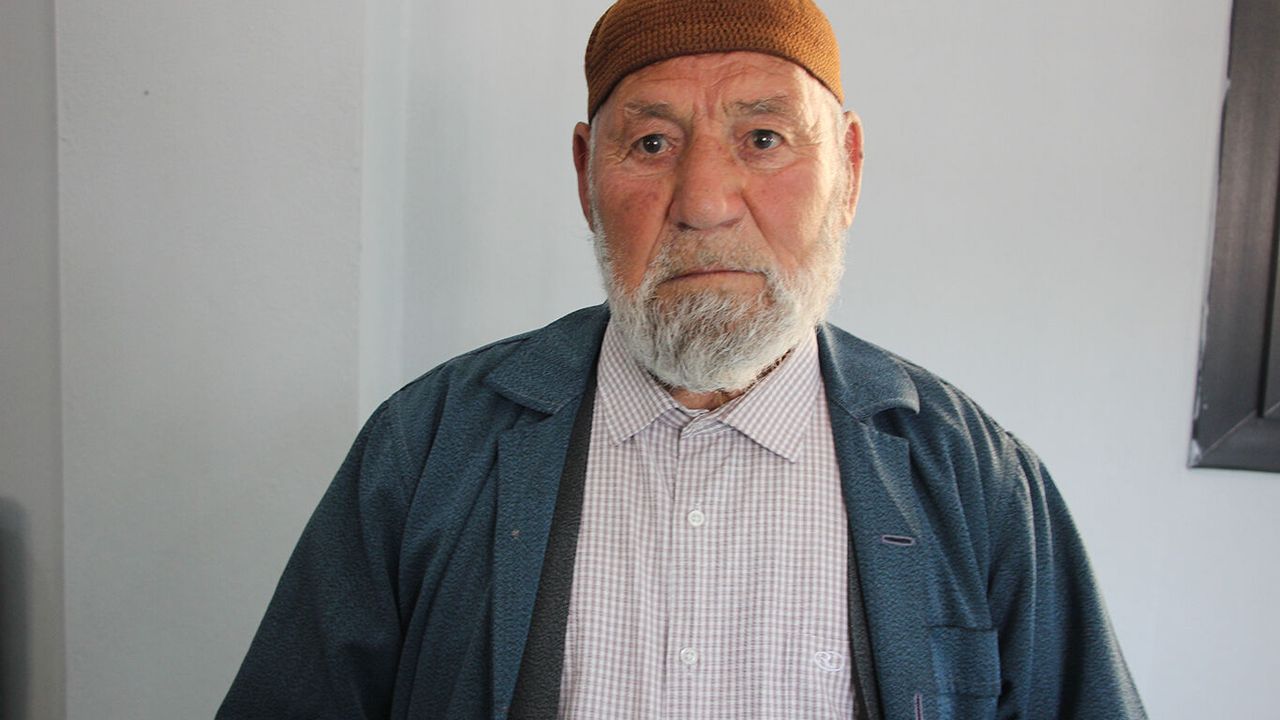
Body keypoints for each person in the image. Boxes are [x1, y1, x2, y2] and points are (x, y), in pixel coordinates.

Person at [218, 1, 1146, 718]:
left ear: (849, 170)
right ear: (586, 175)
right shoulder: (427, 448)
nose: (704, 201)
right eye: (653, 143)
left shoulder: (976, 482)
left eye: (764, 139)